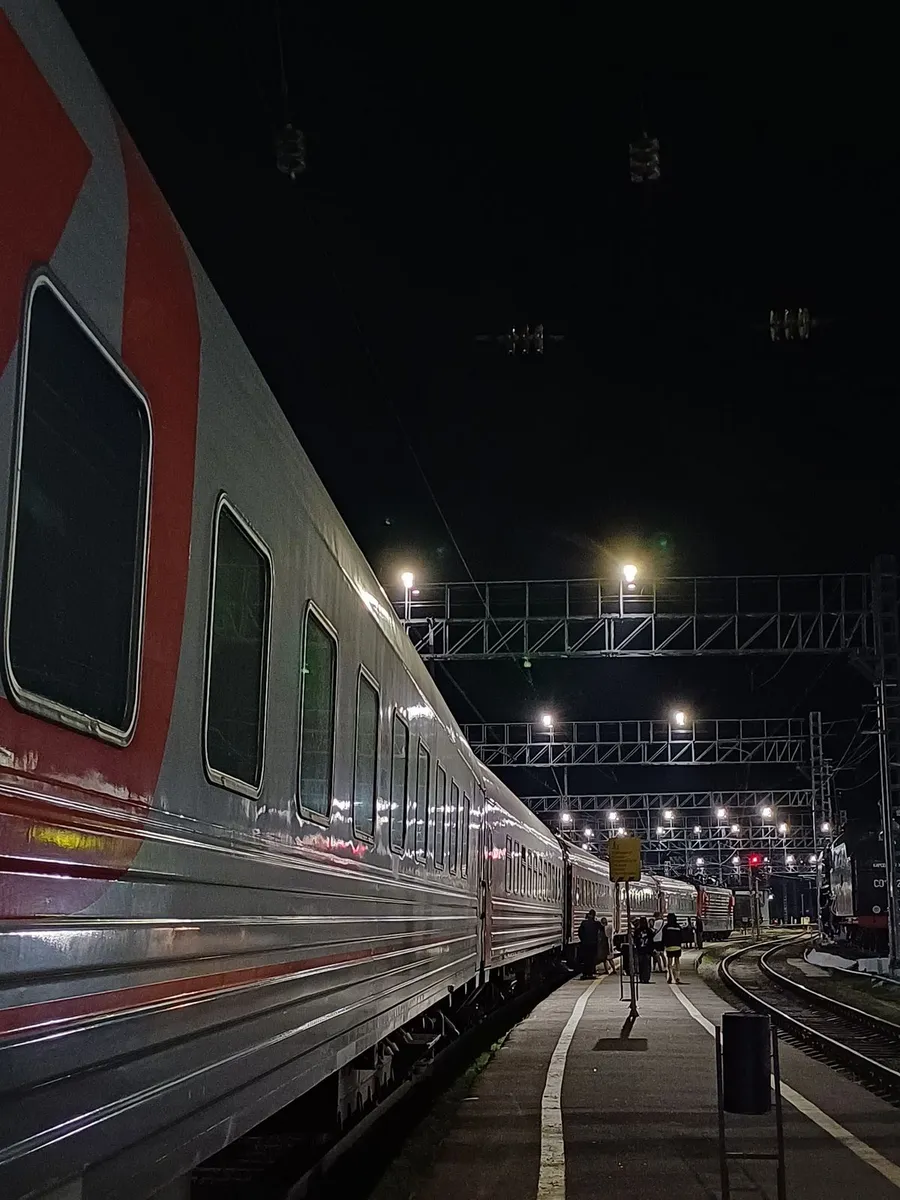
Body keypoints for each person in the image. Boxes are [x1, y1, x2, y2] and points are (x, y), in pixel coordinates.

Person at [578, 909, 600, 979]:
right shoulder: (597, 924)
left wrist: (583, 940)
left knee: (585, 959)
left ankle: (585, 974)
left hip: (585, 944)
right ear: (594, 915)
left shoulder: (583, 923)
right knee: (592, 959)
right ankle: (590, 973)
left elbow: (580, 933)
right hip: (593, 944)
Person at [662, 912, 684, 984]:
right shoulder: (678, 927)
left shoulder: (666, 927)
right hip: (677, 946)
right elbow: (681, 936)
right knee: (677, 961)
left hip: (669, 947)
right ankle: (677, 976)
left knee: (669, 962)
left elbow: (664, 937)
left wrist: (664, 944)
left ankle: (670, 976)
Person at [634, 916, 654, 984]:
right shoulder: (649, 931)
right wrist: (651, 950)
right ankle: (646, 978)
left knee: (641, 965)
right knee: (647, 965)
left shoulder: (637, 931)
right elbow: (651, 941)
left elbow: (635, 940)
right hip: (647, 950)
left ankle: (641, 978)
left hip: (640, 950)